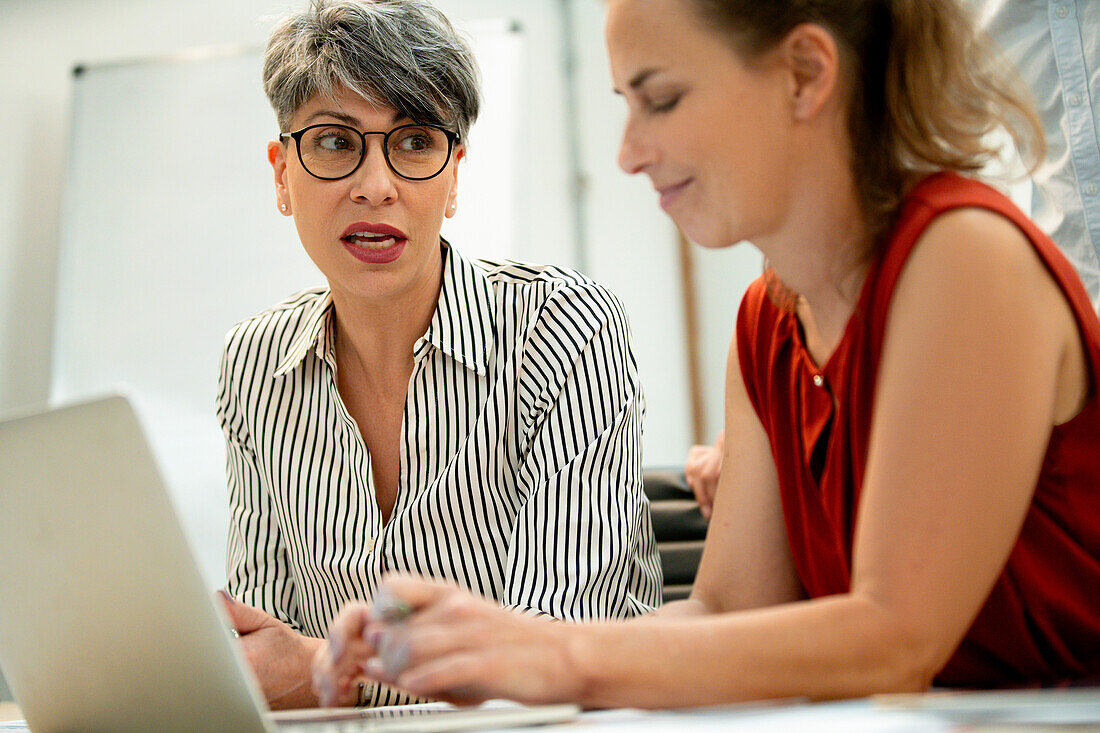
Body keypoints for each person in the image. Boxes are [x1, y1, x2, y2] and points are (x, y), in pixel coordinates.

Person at [313, 0, 1100, 707]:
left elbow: (894, 637)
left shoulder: (963, 255)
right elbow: (726, 610)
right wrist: (479, 644)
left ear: (804, 74)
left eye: (661, 100)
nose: (627, 152)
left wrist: (563, 653)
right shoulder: (768, 318)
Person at [216, 0, 661, 709]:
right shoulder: (255, 366)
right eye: (334, 143)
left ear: (453, 176)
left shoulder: (564, 329)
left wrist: (333, 670)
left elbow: (562, 648)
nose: (376, 185)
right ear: (281, 174)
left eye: (415, 141)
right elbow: (272, 650)